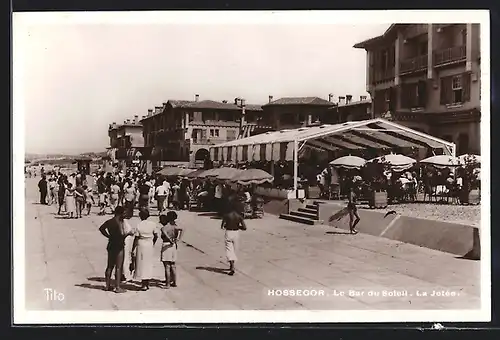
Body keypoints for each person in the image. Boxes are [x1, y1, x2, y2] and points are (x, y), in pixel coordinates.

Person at [99, 206, 135, 293]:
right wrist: (128, 234)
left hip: (111, 244)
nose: (125, 215)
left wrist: (108, 235)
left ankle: (107, 285)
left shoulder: (110, 221)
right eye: (124, 213)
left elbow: (101, 228)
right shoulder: (119, 222)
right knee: (118, 267)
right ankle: (117, 287)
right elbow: (121, 235)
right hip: (119, 245)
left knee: (109, 266)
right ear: (121, 213)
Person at [132, 209, 159, 290]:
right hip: (149, 244)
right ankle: (146, 283)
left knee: (141, 263)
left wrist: (133, 248)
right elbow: (156, 235)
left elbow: (136, 238)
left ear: (140, 216)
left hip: (141, 244)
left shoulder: (139, 225)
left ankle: (144, 284)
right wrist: (152, 242)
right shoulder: (152, 224)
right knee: (148, 263)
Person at [220, 205, 247, 275]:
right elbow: (244, 228)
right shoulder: (239, 216)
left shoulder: (226, 215)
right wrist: (238, 226)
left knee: (229, 249)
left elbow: (222, 226)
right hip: (236, 233)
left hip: (229, 232)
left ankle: (232, 266)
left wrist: (226, 225)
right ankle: (232, 265)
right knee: (235, 250)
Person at [159, 211, 183, 288]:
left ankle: (168, 284)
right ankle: (174, 282)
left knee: (167, 266)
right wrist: (177, 239)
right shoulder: (175, 226)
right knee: (173, 265)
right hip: (173, 246)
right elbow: (181, 229)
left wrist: (169, 240)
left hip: (166, 245)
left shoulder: (164, 227)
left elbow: (165, 234)